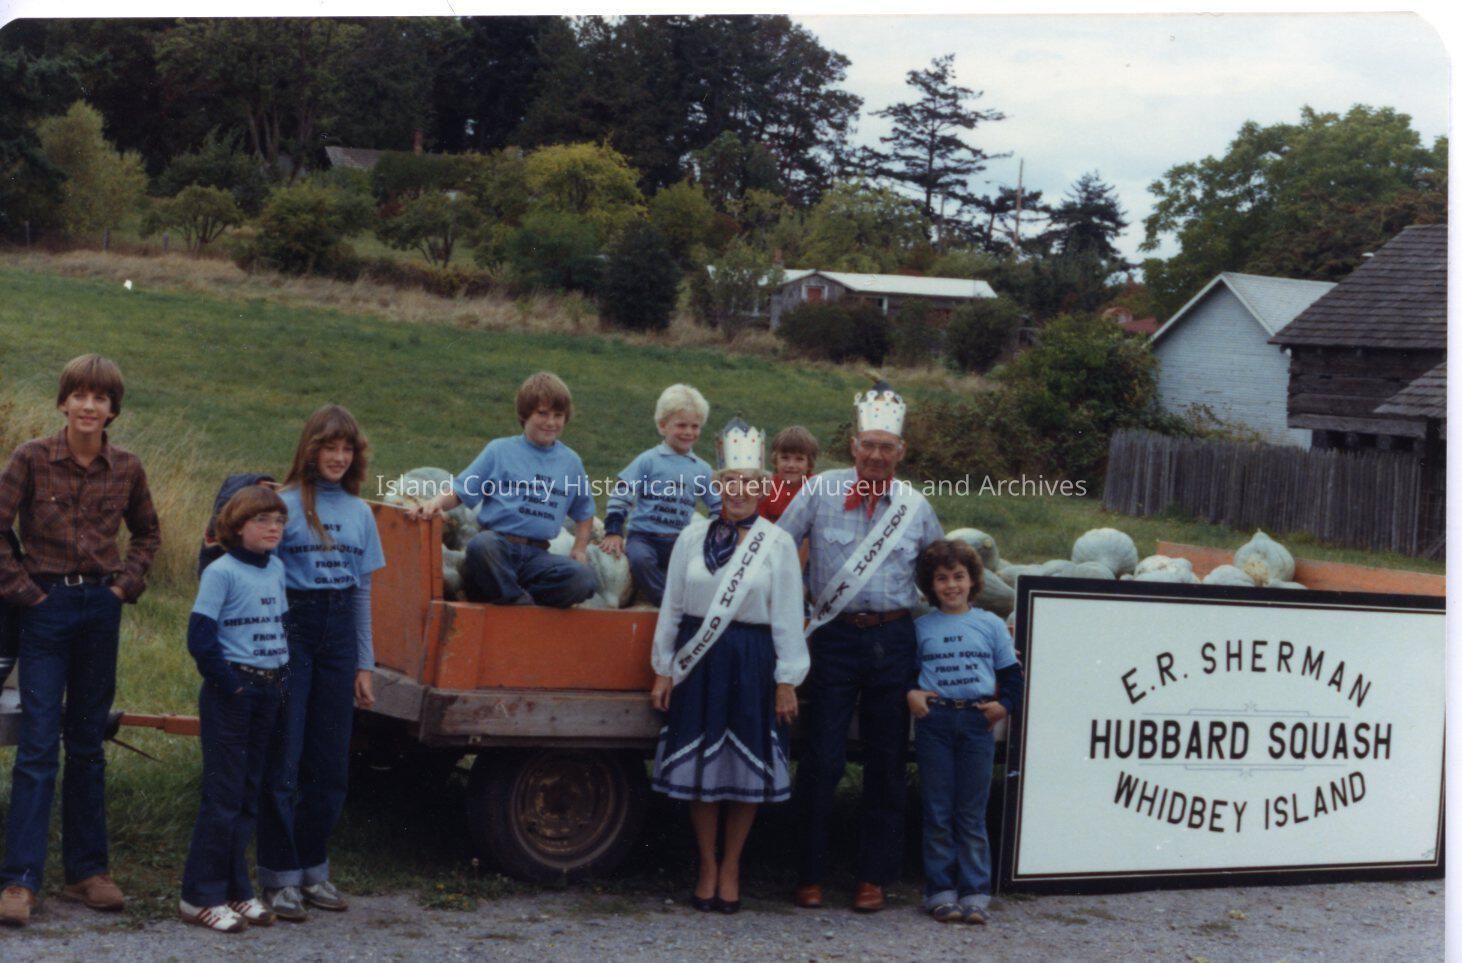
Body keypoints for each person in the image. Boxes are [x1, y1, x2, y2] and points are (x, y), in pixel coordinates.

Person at [0, 354, 161, 927]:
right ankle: (20, 879)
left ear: (113, 409)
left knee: (88, 742)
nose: (89, 406)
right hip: (44, 608)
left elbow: (148, 532)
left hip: (100, 609)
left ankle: (87, 872)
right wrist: (26, 592)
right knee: (39, 745)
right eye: (80, 396)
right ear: (63, 402)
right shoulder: (31, 458)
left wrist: (122, 588)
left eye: (101, 398)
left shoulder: (128, 467)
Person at [777, 380, 943, 913]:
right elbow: (777, 548)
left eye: (885, 447)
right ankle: (808, 873)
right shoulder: (820, 489)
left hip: (893, 638)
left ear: (901, 451)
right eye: (868, 444)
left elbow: (938, 572)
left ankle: (874, 876)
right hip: (833, 636)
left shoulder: (915, 506)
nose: (875, 455)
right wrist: (789, 612)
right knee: (822, 758)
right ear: (853, 445)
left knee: (887, 760)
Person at [649, 418, 808, 914]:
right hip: (700, 659)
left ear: (763, 488)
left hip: (753, 659)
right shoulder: (691, 537)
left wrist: (787, 680)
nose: (738, 491)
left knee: (744, 766)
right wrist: (663, 667)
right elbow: (673, 607)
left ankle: (733, 865)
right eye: (730, 482)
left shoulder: (777, 543)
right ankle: (706, 865)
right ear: (717, 486)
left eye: (749, 483)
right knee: (703, 765)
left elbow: (787, 615)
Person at [257, 405, 385, 921]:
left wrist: (363, 664)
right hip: (292, 628)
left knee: (330, 764)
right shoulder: (283, 505)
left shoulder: (360, 512)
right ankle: (279, 875)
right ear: (310, 449)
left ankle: (313, 868)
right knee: (284, 759)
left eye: (346, 448)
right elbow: (263, 580)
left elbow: (362, 592)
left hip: (339, 637)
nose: (338, 457)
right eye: (329, 447)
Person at [180, 486, 293, 933]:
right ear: (237, 525)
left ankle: (237, 890)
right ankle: (198, 897)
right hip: (233, 693)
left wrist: (280, 682)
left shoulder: (277, 568)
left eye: (279, 521)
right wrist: (232, 686)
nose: (273, 528)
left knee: (248, 794)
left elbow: (281, 627)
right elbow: (200, 638)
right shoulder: (221, 572)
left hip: (268, 689)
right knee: (222, 797)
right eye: (262, 520)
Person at [907, 539, 1023, 926]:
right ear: (930, 584)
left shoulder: (990, 625)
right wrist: (911, 693)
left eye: (959, 576)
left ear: (973, 580)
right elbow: (906, 675)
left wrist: (1004, 705)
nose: (951, 585)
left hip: (976, 722)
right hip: (935, 723)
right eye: (942, 578)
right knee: (938, 810)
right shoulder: (921, 627)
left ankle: (975, 891)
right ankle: (940, 891)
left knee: (971, 812)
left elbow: (1012, 677)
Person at [408, 372, 597, 608]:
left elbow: (584, 511)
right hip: (499, 549)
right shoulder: (499, 451)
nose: (551, 422)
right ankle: (519, 602)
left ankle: (514, 598)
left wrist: (580, 548)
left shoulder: (571, 462)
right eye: (542, 413)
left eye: (558, 415)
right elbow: (460, 490)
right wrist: (436, 502)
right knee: (481, 546)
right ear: (524, 414)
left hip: (537, 557)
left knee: (582, 578)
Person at [601, 384, 721, 605]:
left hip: (680, 540)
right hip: (644, 536)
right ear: (663, 425)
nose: (689, 432)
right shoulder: (649, 460)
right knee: (640, 560)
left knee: (702, 566)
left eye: (695, 426)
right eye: (681, 425)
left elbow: (717, 504)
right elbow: (622, 492)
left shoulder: (702, 469)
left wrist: (718, 532)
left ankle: (699, 604)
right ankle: (668, 603)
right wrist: (614, 530)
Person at [758, 426, 818, 523]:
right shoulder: (766, 487)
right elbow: (760, 524)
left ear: (809, 463)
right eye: (785, 458)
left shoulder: (817, 487)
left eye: (799, 459)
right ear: (775, 460)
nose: (791, 465)